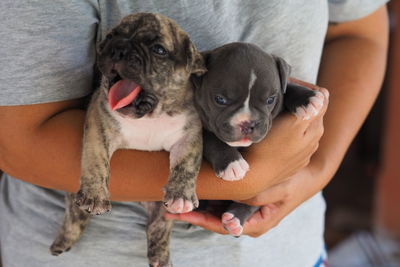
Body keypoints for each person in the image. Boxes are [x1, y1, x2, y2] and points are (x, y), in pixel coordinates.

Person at [0, 1, 388, 266]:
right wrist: (242, 180)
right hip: (97, 255)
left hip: (288, 249)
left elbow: (359, 31)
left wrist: (316, 169)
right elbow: (18, 142)